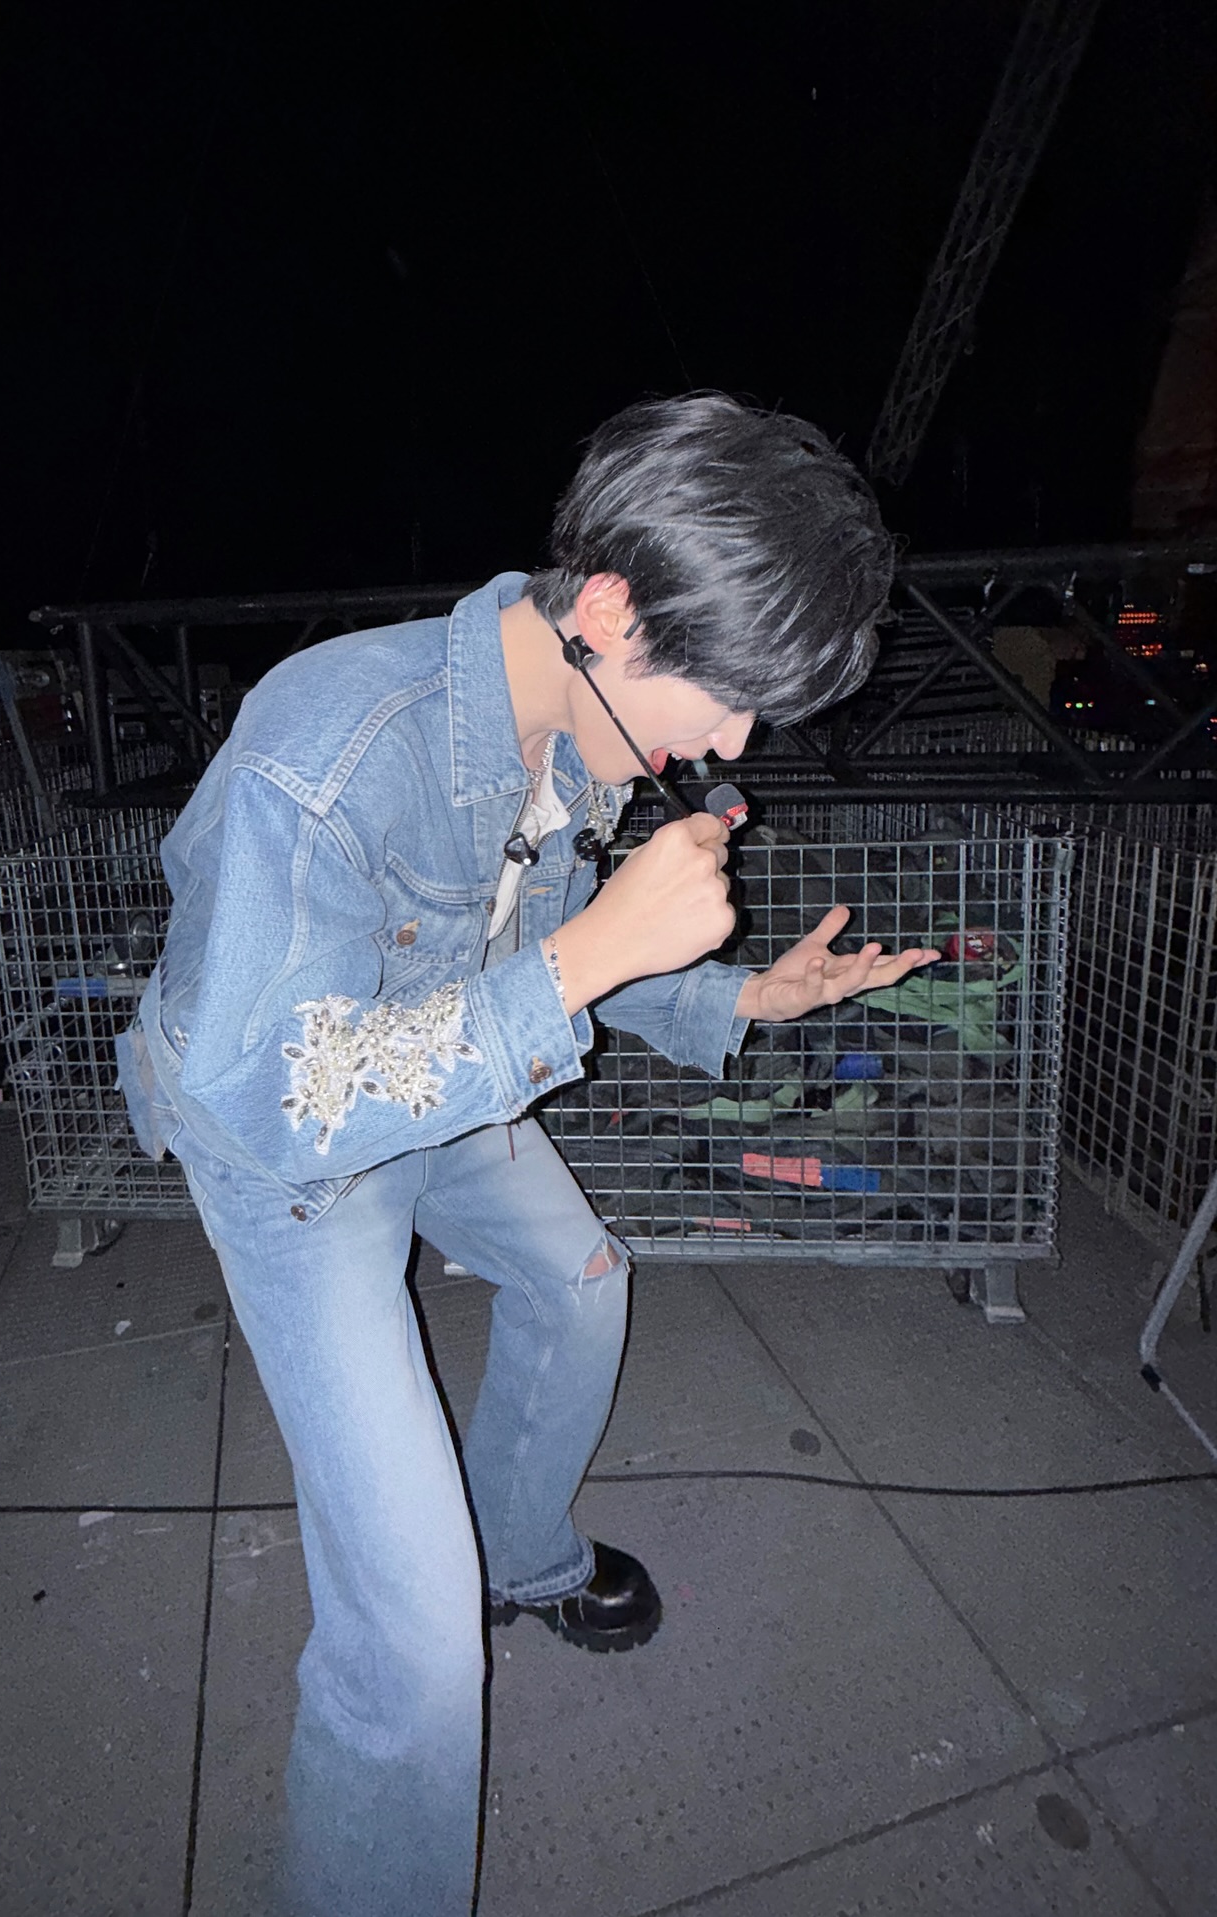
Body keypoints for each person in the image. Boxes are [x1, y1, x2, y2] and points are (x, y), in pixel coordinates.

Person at [117, 392, 938, 1916]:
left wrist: (740, 996)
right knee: (416, 1654)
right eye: (729, 700)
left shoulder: (571, 726)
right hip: (293, 1153)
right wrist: (585, 960)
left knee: (582, 1279)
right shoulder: (325, 748)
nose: (734, 748)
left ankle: (521, 1549)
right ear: (609, 610)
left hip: (444, 1063)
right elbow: (281, 1092)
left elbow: (537, 939)